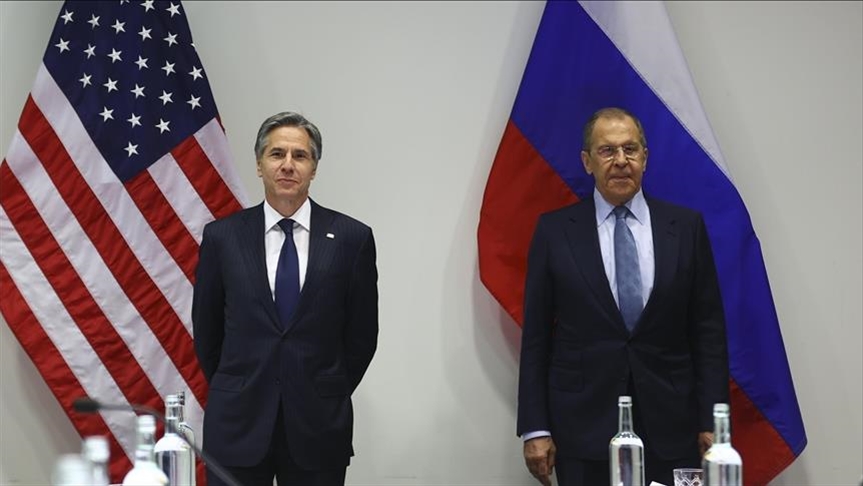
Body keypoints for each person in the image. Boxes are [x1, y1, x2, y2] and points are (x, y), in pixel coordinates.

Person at [517, 107, 729, 486]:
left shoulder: (685, 228)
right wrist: (535, 427)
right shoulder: (554, 232)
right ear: (587, 162)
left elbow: (708, 333)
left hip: (672, 426)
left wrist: (713, 421)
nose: (620, 161)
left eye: (630, 149)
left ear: (645, 158)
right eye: (607, 151)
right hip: (583, 429)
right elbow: (536, 337)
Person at [193, 111, 378, 486]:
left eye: (300, 155)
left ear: (314, 168)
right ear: (260, 165)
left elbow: (361, 337)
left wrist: (324, 388)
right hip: (237, 424)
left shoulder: (351, 239)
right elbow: (207, 331)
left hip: (318, 426)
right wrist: (242, 385)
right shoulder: (222, 238)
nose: (288, 165)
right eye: (277, 154)